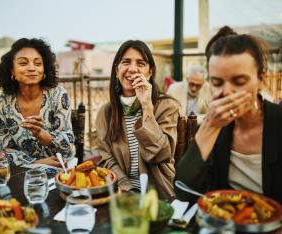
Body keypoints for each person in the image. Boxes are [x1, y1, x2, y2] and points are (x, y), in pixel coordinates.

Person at [174, 26, 282, 204]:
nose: (227, 92)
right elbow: (183, 191)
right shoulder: (215, 127)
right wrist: (210, 126)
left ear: (261, 80)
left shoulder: (277, 122)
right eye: (217, 83)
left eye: (239, 81)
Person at [96, 40, 179, 199]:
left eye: (140, 63)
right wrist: (127, 189)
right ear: (116, 70)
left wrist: (147, 106)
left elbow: (160, 154)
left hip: (159, 197)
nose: (132, 69)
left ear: (150, 73)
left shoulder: (167, 106)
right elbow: (106, 159)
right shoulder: (105, 113)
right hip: (122, 194)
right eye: (126, 62)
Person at [0, 38, 75, 167]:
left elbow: (68, 145)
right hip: (20, 171)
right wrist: (37, 163)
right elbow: (1, 152)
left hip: (60, 168)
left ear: (44, 70)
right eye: (23, 63)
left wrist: (43, 135)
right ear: (12, 71)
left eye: (37, 63)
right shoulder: (1, 102)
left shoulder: (58, 95)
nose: (32, 68)